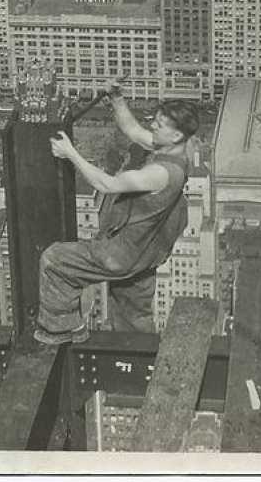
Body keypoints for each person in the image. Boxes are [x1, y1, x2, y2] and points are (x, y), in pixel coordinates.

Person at [34, 81, 200, 345]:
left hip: (123, 252)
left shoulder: (161, 173)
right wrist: (118, 98)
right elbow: (132, 130)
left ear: (176, 135)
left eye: (159, 124)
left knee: (55, 261)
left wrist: (70, 154)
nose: (152, 126)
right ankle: (138, 358)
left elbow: (107, 185)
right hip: (145, 255)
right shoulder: (177, 151)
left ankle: (62, 328)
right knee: (132, 314)